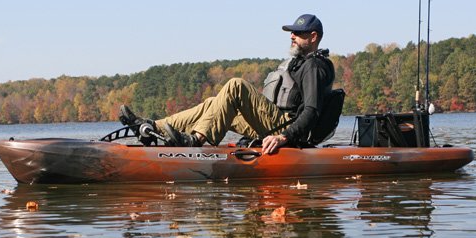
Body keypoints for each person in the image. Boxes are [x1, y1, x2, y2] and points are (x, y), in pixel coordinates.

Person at [120, 13, 335, 154]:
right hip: (275, 124)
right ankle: (150, 128)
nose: (292, 36)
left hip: (286, 129)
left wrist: (283, 137)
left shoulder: (314, 66)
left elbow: (312, 111)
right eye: (291, 33)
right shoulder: (300, 63)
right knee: (213, 103)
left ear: (313, 36)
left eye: (298, 33)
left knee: (236, 85)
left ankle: (194, 141)